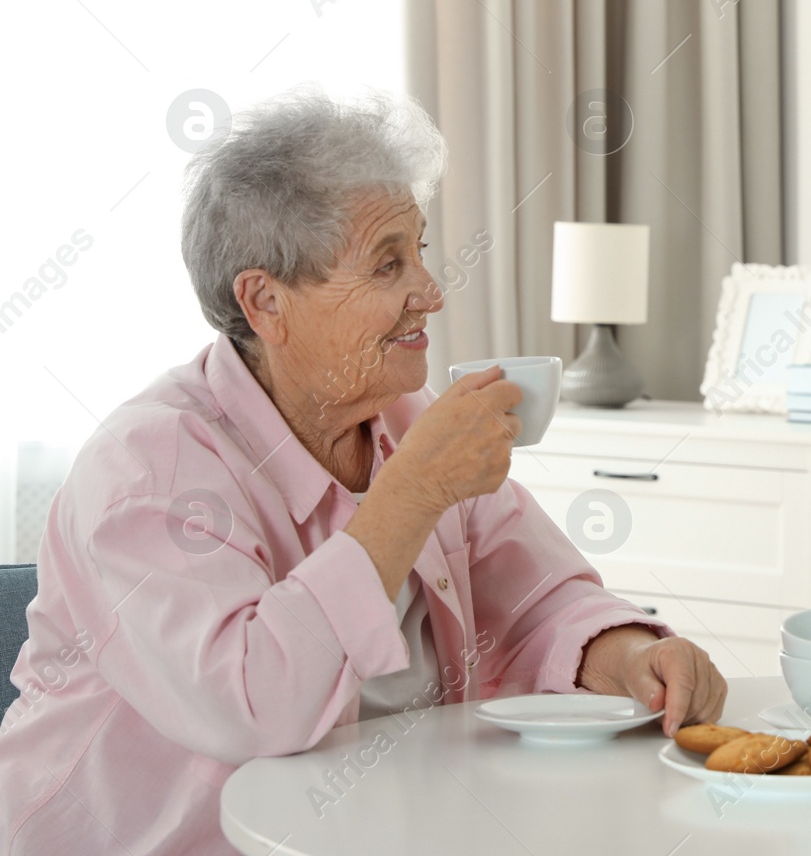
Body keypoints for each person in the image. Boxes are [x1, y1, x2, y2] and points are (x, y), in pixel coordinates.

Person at [0, 88, 726, 854]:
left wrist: (632, 655)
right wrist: (411, 492)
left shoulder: (407, 419)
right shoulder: (146, 471)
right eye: (388, 263)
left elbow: (539, 599)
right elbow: (255, 708)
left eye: (418, 250)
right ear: (265, 302)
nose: (433, 292)